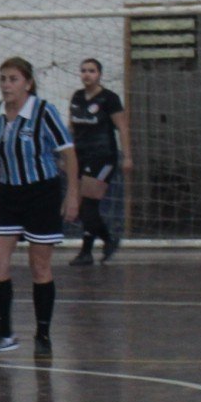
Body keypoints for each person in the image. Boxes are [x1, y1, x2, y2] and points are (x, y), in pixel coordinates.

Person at [0, 57, 78, 357]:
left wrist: (73, 193)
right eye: (3, 79)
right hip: (8, 195)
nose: (6, 85)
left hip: (41, 194)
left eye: (13, 79)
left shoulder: (44, 112)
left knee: (39, 266)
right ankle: (5, 332)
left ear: (28, 83)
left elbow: (69, 154)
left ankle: (43, 333)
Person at [67, 58, 132, 265]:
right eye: (84, 70)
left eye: (92, 71)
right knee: (83, 204)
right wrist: (67, 155)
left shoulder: (109, 98)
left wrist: (127, 156)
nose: (87, 74)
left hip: (103, 156)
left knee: (89, 204)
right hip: (81, 155)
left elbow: (122, 128)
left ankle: (88, 251)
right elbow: (71, 127)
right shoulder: (77, 97)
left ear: (99, 74)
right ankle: (107, 239)